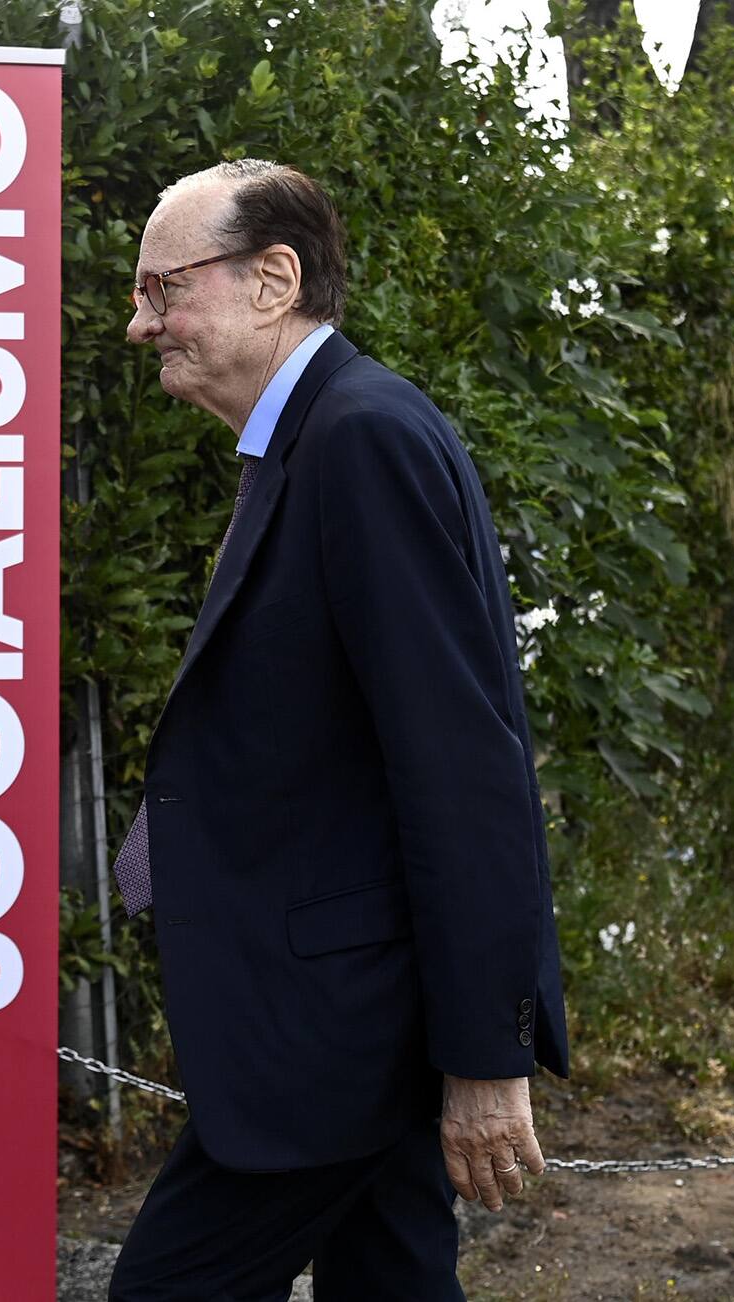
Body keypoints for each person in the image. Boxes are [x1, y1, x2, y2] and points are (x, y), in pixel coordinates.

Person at [105, 160, 570, 1301]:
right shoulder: (314, 438)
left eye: (163, 290)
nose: (137, 324)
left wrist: (482, 1055)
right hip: (343, 1011)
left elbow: (460, 764)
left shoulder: (358, 439)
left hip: (336, 1037)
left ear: (273, 279)